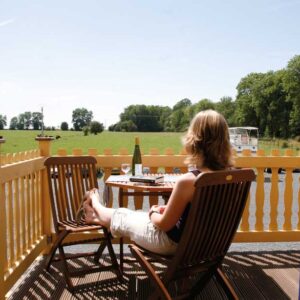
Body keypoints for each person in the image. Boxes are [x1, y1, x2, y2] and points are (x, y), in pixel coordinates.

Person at [84, 109, 233, 255]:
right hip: (207, 247)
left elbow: (163, 224)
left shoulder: (190, 181)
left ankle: (94, 203)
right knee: (133, 215)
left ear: (194, 140)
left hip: (172, 244)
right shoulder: (233, 177)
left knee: (123, 215)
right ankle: (95, 215)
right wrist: (166, 210)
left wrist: (153, 212)